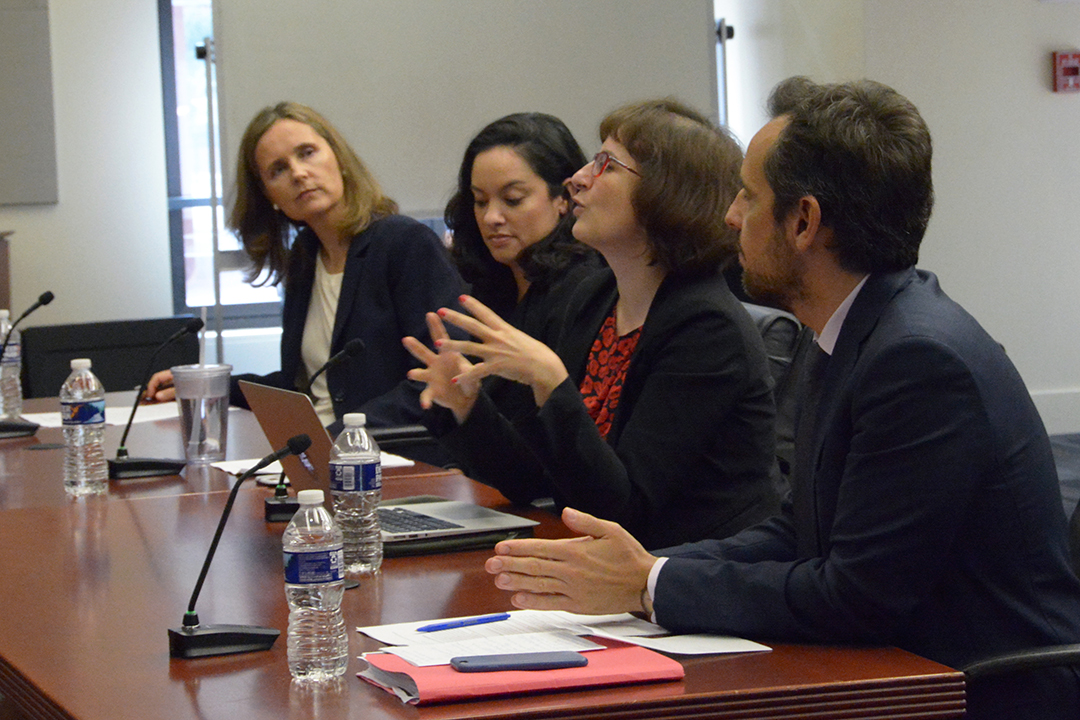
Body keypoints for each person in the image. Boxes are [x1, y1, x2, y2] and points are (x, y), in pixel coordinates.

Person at [482, 78, 1080, 718]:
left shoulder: (918, 360)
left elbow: (857, 594)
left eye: (747, 195)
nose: (731, 215)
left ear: (803, 222)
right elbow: (801, 531)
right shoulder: (858, 328)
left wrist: (651, 584)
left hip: (974, 689)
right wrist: (642, 568)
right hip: (896, 669)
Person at [405, 99, 779, 550]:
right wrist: (467, 407)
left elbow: (623, 509)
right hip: (610, 575)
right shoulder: (594, 299)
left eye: (606, 165)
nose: (578, 178)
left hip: (692, 582)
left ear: (666, 194)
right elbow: (535, 480)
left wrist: (551, 382)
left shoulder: (706, 327)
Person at [146, 101, 464, 430]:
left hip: (394, 457)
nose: (298, 173)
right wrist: (211, 384)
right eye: (278, 169)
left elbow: (437, 381)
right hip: (318, 454)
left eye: (307, 153)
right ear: (269, 195)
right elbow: (303, 385)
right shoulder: (304, 255)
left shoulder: (404, 244)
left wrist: (338, 437)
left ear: (338, 159)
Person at [446, 112, 601, 348]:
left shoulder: (585, 290)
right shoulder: (490, 285)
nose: (491, 218)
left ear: (564, 198)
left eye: (513, 199)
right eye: (480, 201)